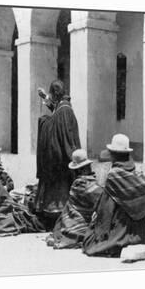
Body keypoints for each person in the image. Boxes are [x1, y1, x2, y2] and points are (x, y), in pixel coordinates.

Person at [82, 134, 145, 257]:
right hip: (140, 234)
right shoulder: (137, 174)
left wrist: (99, 228)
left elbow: (106, 208)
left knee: (89, 243)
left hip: (121, 229)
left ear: (114, 155)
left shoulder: (114, 175)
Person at [35, 80, 81, 230]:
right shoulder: (63, 107)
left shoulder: (65, 110)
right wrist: (45, 99)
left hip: (61, 159)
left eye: (51, 94)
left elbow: (61, 130)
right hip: (59, 157)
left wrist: (44, 123)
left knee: (60, 193)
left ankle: (59, 219)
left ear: (55, 94)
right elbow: (56, 113)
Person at [47, 149, 103, 249]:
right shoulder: (82, 185)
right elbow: (102, 201)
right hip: (81, 225)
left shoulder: (81, 184)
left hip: (72, 223)